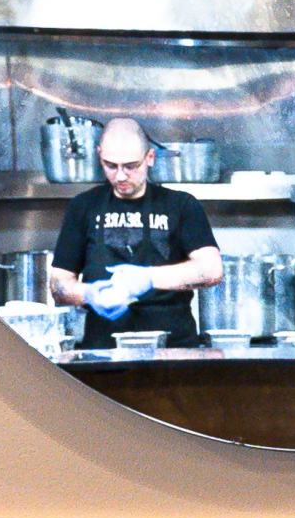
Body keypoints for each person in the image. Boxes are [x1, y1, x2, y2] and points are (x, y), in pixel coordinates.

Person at [48, 118, 224, 348]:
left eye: (130, 166)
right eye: (110, 165)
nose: (120, 176)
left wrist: (148, 278)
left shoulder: (181, 205)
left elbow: (211, 270)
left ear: (150, 157)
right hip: (103, 353)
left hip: (173, 350)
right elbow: (59, 284)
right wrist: (88, 293)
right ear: (99, 155)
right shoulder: (83, 207)